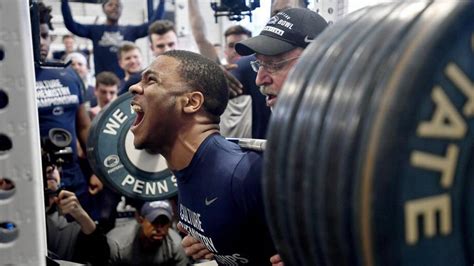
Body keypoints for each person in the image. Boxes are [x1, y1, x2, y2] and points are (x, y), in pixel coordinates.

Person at [182, 7, 329, 265]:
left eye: (274, 64)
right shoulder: (287, 133)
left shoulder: (361, 137)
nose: (260, 78)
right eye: (260, 64)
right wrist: (218, 239)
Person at [129, 50, 276, 265]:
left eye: (151, 80)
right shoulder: (186, 168)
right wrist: (217, 245)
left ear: (191, 102)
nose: (134, 87)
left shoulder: (245, 175)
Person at [36, 2, 92, 208]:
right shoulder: (11, 79)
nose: (41, 42)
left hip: (72, 172)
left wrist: (95, 172)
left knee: (79, 234)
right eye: (36, 36)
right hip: (33, 174)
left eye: (45, 35)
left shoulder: (68, 74)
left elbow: (84, 126)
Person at [61, 0, 165, 78]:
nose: (114, 7)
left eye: (118, 5)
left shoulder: (130, 31)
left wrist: (162, 1)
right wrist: (64, 2)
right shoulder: (95, 30)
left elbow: (153, 23)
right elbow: (71, 25)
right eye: (110, 5)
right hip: (104, 83)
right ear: (103, 8)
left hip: (126, 82)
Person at [44, 164, 108, 264]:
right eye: (43, 164)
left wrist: (82, 217)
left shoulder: (68, 222)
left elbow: (101, 256)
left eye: (54, 165)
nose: (51, 169)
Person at [106, 200, 188, 265]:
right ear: (141, 220)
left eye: (164, 222)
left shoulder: (175, 244)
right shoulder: (116, 244)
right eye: (154, 222)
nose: (159, 228)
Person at [118, 20, 178, 95]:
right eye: (160, 46)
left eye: (171, 44)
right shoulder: (137, 81)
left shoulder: (191, 76)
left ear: (177, 43)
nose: (167, 50)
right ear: (152, 48)